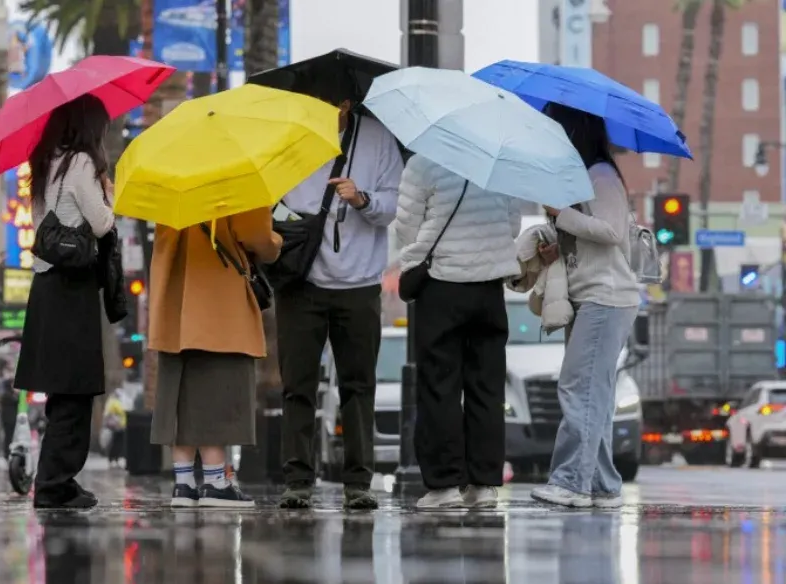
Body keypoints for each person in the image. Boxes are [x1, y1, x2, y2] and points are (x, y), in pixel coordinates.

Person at [276, 74, 404, 511]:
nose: (317, 115)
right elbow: (270, 195)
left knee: (358, 386)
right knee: (298, 386)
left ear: (347, 104)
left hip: (361, 282)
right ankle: (297, 481)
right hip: (302, 280)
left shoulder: (378, 139)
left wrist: (362, 199)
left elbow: (395, 205)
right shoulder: (291, 137)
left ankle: (358, 484)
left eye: (325, 106)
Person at [394, 154, 524, 509]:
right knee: (487, 388)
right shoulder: (501, 164)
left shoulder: (424, 163)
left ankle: (444, 486)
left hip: (442, 285)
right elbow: (512, 226)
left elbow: (405, 227)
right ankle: (483, 485)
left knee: (440, 386)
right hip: (489, 289)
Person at [530, 104, 640, 509]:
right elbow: (594, 239)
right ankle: (602, 484)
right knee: (594, 392)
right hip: (592, 295)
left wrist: (564, 215)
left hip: (604, 297)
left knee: (579, 389)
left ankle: (572, 482)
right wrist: (559, 242)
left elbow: (611, 231)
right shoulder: (587, 176)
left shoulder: (601, 175)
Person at [13, 93, 115, 509]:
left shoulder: (44, 163)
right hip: (73, 289)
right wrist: (109, 192)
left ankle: (57, 478)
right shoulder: (83, 164)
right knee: (75, 390)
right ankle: (54, 483)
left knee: (61, 391)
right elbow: (103, 223)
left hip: (47, 287)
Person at [149, 208, 282, 508]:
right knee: (219, 389)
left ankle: (183, 484)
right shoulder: (236, 181)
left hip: (173, 302)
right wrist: (276, 241)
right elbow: (258, 238)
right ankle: (215, 481)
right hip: (219, 302)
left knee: (179, 393)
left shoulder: (170, 184)